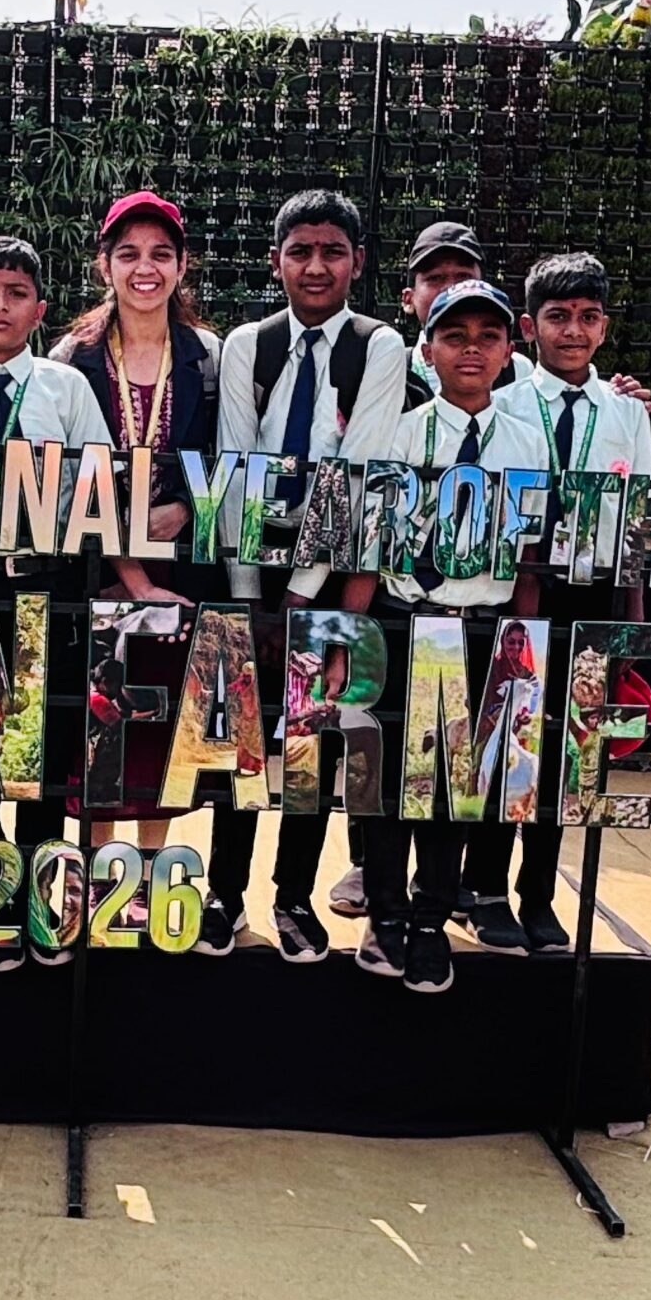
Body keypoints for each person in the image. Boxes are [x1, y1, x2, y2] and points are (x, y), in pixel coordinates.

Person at [0, 233, 168, 965]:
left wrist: (137, 582)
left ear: (40, 309)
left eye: (16, 294)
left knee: (44, 752)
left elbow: (102, 492)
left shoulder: (65, 388)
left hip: (46, 587)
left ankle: (41, 891)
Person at [216, 189, 408, 957]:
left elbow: (357, 477)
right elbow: (235, 474)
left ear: (357, 261)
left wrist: (302, 597)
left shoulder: (379, 347)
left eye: (333, 251)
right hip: (253, 563)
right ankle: (223, 893)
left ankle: (293, 895)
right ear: (277, 262)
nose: (316, 266)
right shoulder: (249, 345)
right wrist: (248, 602)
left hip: (332, 572)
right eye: (301, 251)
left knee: (313, 740)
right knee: (239, 739)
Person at [460, 252, 651, 954]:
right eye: (558, 317)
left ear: (604, 327)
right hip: (518, 598)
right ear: (529, 327)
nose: (573, 331)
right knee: (507, 745)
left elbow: (639, 519)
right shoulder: (506, 402)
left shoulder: (626, 412)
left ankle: (540, 894)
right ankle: (486, 890)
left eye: (587, 317)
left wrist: (632, 619)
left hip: (593, 600)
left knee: (572, 752)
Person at [352, 279, 549, 994]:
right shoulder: (402, 433)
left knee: (454, 785)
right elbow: (370, 543)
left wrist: (522, 646)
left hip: (481, 629)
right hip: (406, 621)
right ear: (427, 349)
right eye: (454, 336)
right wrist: (358, 634)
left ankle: (433, 918)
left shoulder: (527, 441)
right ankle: (385, 913)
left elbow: (531, 558)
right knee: (388, 781)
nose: (471, 350)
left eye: (487, 337)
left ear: (508, 350)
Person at [48, 192, 221, 918]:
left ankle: (151, 877)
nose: (144, 269)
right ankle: (94, 877)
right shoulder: (72, 357)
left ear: (181, 266)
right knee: (98, 719)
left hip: (176, 564)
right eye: (128, 254)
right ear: (104, 265)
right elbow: (55, 471)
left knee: (162, 725)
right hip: (95, 566)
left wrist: (188, 507)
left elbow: (229, 455)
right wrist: (115, 536)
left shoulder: (208, 357)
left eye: (159, 254)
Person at [397, 221, 532, 404]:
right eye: (435, 278)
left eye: (463, 277)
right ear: (408, 299)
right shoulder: (393, 369)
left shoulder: (516, 370)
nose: (450, 288)